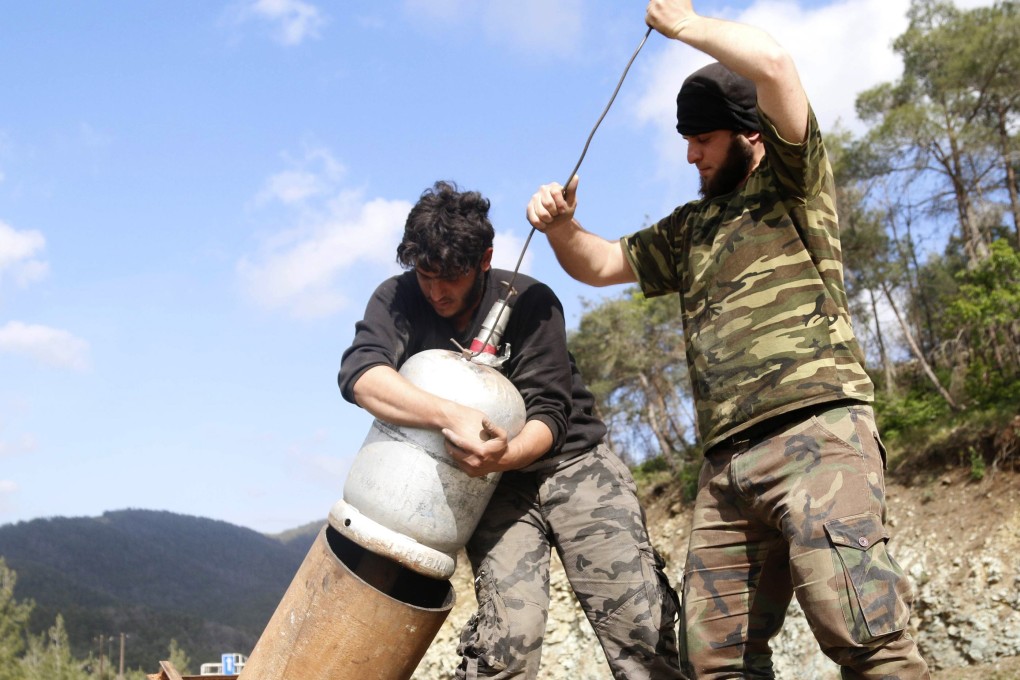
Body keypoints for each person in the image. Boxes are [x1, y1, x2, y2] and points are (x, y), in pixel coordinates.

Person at [525, 1, 931, 678]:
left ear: (751, 134)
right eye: (687, 139)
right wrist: (562, 227)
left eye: (705, 138)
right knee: (714, 660)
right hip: (725, 469)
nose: (691, 153)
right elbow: (599, 265)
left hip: (817, 435)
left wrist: (685, 27)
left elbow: (773, 64)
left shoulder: (793, 184)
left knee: (864, 636)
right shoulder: (688, 230)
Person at [338, 180, 684, 680]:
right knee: (504, 649)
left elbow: (551, 414)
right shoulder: (397, 299)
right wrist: (449, 415)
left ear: (485, 260)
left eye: (451, 276)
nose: (436, 291)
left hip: (575, 466)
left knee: (641, 633)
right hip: (489, 489)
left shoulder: (530, 301)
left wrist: (506, 452)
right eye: (426, 274)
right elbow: (362, 376)